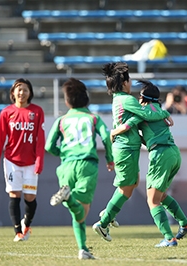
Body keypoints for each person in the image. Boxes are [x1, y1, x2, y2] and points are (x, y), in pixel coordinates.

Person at [92, 62, 173, 242]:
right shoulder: (126, 100)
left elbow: (137, 118)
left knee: (132, 183)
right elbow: (147, 114)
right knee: (126, 189)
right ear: (123, 83)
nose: (130, 83)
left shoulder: (120, 99)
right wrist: (164, 112)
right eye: (128, 80)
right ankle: (104, 222)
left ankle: (109, 212)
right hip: (126, 148)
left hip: (129, 148)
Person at [110, 79, 187, 247]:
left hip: (160, 154)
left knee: (152, 200)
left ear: (143, 98)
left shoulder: (142, 111)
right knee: (161, 195)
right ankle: (185, 224)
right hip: (173, 153)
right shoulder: (159, 110)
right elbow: (149, 134)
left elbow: (127, 126)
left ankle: (169, 238)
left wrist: (113, 133)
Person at [45, 78, 114, 260]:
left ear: (67, 101)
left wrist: (63, 153)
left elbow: (49, 146)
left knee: (77, 214)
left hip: (66, 166)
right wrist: (109, 158)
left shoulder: (62, 120)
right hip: (86, 165)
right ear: (87, 99)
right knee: (82, 211)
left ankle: (83, 249)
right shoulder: (92, 118)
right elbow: (106, 136)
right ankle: (82, 248)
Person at [0, 78, 45, 242]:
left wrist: (40, 161)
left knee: (30, 197)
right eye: (19, 89)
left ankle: (26, 224)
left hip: (31, 162)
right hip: (12, 161)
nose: (22, 92)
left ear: (30, 93)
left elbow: (40, 140)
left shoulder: (37, 112)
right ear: (13, 93)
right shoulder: (6, 113)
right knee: (14, 195)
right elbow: (0, 140)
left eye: (25, 89)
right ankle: (18, 232)